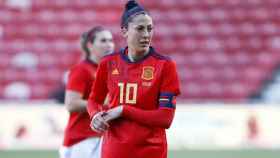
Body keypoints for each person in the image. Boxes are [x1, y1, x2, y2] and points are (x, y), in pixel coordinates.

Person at [87, 1, 181, 158]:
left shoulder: (165, 65)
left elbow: (166, 118)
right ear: (124, 31)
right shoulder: (108, 63)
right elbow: (93, 99)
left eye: (150, 29)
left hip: (151, 152)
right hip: (114, 151)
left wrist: (124, 110)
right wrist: (95, 115)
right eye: (140, 29)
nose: (146, 35)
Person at [60, 26, 114, 158]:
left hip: (102, 137)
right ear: (90, 45)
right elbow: (71, 104)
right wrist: (102, 103)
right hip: (82, 139)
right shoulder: (82, 70)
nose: (109, 45)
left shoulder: (110, 70)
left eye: (110, 40)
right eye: (103, 41)